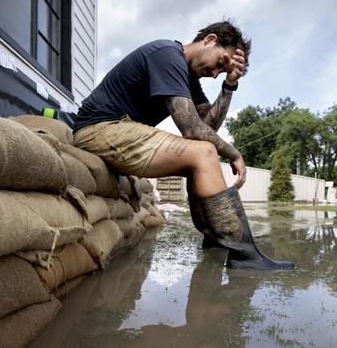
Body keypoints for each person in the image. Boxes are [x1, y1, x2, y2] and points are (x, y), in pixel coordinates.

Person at [72, 20, 294, 270]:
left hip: (119, 130)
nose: (214, 73)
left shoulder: (188, 77)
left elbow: (206, 129)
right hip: (99, 128)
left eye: (221, 72)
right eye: (219, 64)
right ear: (210, 40)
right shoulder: (167, 55)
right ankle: (243, 254)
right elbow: (191, 129)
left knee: (202, 155)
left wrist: (229, 85)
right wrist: (234, 153)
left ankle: (216, 239)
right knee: (204, 152)